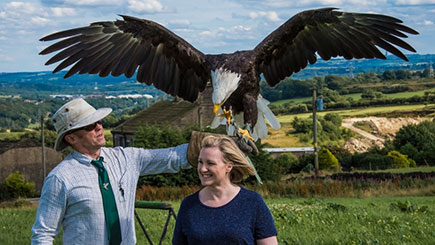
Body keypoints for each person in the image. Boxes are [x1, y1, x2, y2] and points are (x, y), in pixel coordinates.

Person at [31, 98, 242, 245]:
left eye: (98, 121)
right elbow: (43, 234)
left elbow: (172, 157)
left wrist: (226, 144)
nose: (98, 127)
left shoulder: (125, 158)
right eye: (89, 126)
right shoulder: (61, 178)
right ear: (71, 138)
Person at [172, 135, 278, 245]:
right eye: (200, 162)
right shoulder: (188, 205)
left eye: (210, 163)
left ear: (229, 166)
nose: (202, 169)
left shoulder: (252, 202)